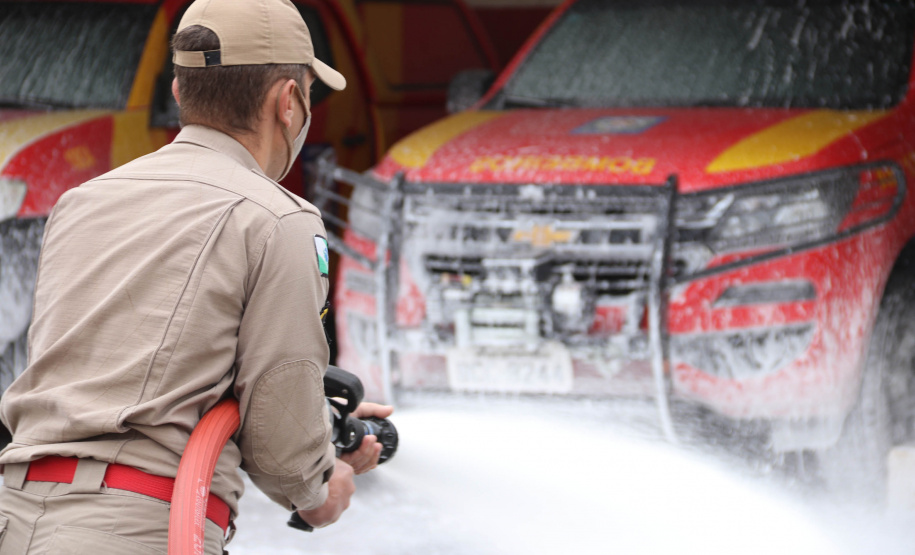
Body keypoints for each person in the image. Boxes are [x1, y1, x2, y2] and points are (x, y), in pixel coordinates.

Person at [0, 0, 391, 552]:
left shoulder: (82, 201)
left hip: (14, 517)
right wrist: (320, 487)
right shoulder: (279, 218)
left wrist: (317, 419)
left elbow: (126, 374)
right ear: (288, 102)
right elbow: (281, 448)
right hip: (135, 530)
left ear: (181, 93)